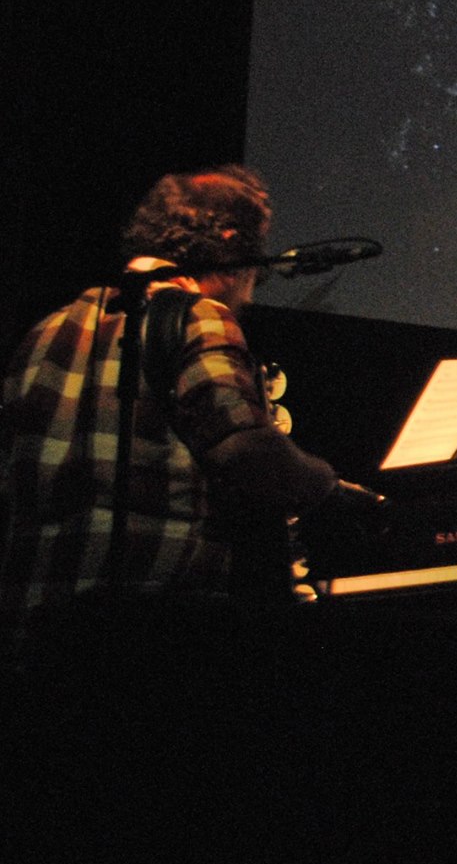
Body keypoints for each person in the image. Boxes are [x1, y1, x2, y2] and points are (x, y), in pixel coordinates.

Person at [1, 166, 368, 657]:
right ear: (232, 245)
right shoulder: (199, 316)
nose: (252, 289)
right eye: (255, 269)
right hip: (150, 630)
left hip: (35, 632)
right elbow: (244, 450)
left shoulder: (45, 331)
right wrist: (330, 490)